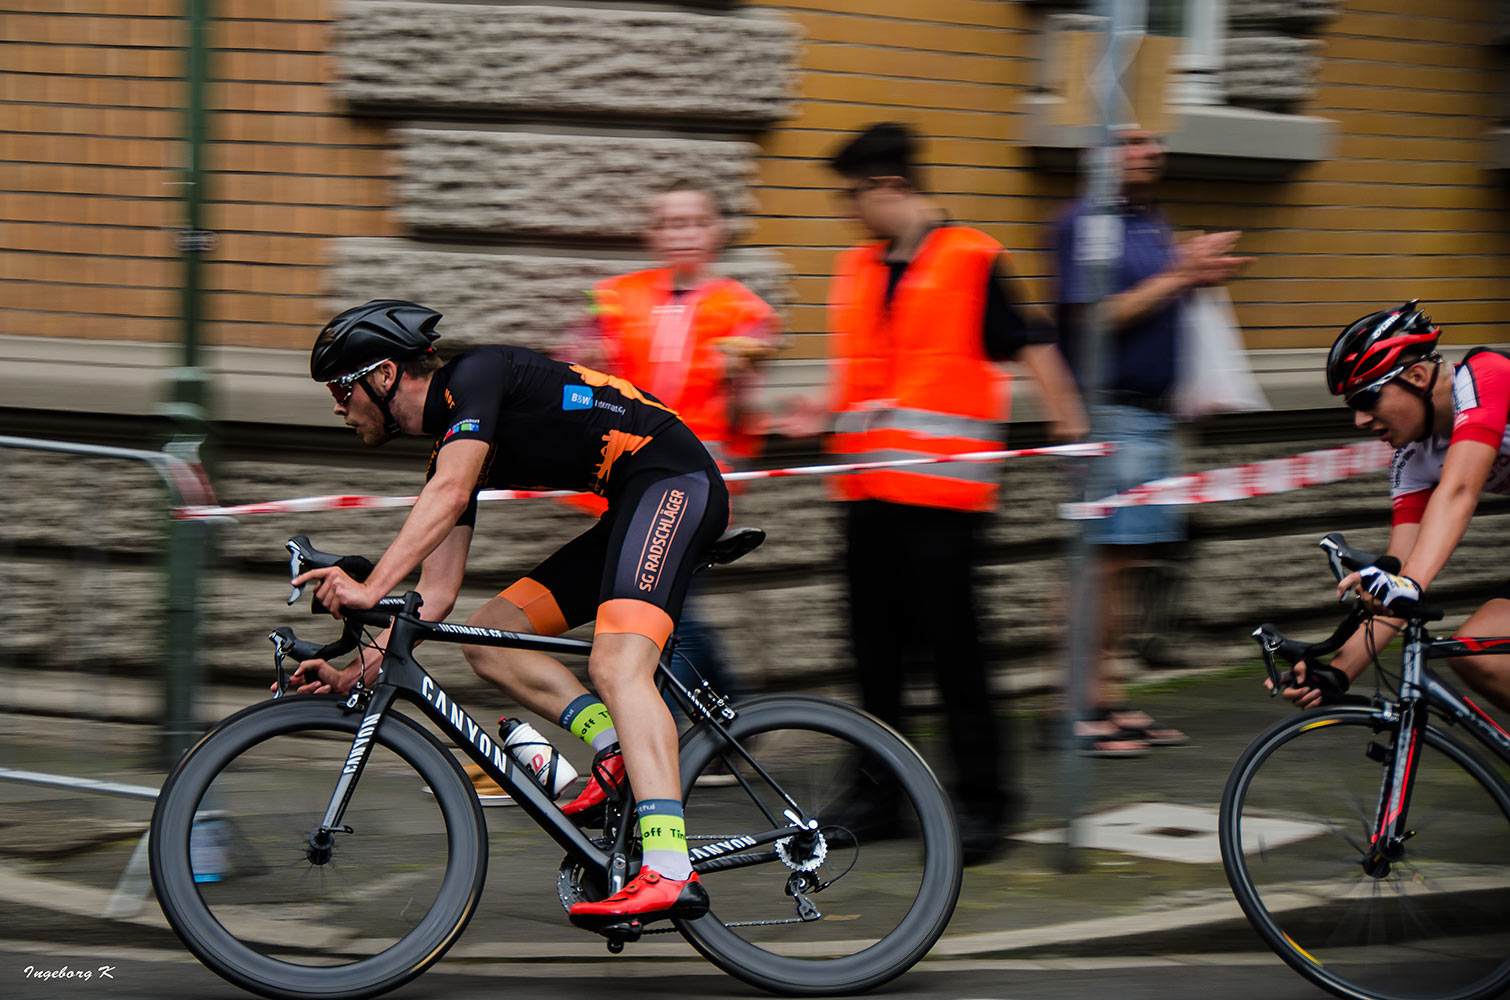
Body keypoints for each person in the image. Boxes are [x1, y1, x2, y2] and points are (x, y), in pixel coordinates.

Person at [284, 299, 728, 929]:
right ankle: (613, 750)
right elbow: (432, 601)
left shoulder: (474, 382)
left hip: (674, 482)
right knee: (489, 637)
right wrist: (353, 672)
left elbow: (451, 494)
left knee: (619, 662)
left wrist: (367, 586)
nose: (337, 405)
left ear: (383, 376)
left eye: (340, 387)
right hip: (634, 503)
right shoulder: (450, 450)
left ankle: (669, 869)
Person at [820, 122, 1088, 864]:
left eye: (853, 196)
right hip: (865, 495)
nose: (848, 212)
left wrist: (1074, 436)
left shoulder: (973, 258)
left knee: (955, 657)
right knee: (874, 658)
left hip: (943, 503)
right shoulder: (857, 268)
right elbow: (860, 378)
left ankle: (986, 803)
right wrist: (811, 412)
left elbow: (1034, 347)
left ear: (890, 187)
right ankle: (879, 793)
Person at [1051, 126, 1248, 756]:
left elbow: (1159, 295)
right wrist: (1180, 273)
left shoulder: (1150, 222)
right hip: (1112, 414)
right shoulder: (1084, 222)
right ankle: (1077, 709)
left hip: (1153, 415)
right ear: (1098, 152)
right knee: (1099, 567)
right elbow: (1094, 320)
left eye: (1153, 140)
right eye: (1130, 141)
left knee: (1126, 566)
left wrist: (1196, 274)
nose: (1148, 151)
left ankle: (1108, 699)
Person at [562, 179, 782, 719]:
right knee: (674, 606)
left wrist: (740, 380)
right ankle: (732, 714)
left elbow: (742, 414)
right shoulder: (617, 297)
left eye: (693, 222)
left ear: (715, 232)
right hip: (629, 477)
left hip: (693, 481)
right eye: (668, 223)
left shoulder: (741, 310)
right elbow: (573, 369)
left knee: (663, 610)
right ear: (652, 234)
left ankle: (666, 734)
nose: (681, 234)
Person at [1281, 301, 1510, 712]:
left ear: (1418, 375)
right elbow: (1403, 577)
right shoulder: (1412, 461)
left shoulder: (1487, 374)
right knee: (1481, 655)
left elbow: (1459, 490)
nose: (1360, 420)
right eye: (1352, 406)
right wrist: (1337, 673)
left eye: (1366, 399)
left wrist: (1408, 584)